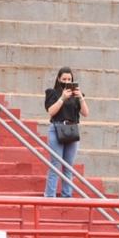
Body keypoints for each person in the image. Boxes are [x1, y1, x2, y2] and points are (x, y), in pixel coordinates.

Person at [43, 66, 89, 198]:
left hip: (72, 129)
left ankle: (66, 195)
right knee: (55, 164)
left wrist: (80, 97)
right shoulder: (52, 92)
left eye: (69, 79)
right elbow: (51, 112)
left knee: (68, 166)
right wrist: (62, 98)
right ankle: (50, 196)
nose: (67, 81)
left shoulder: (76, 95)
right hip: (57, 128)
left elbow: (86, 113)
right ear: (59, 79)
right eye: (64, 79)